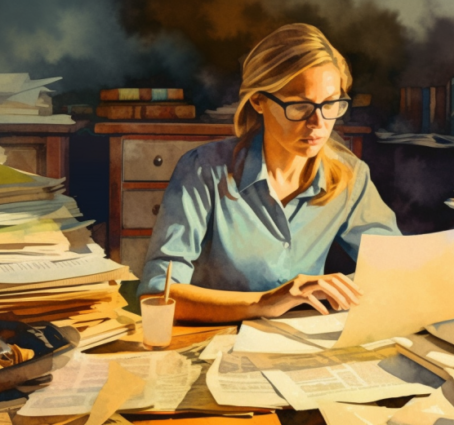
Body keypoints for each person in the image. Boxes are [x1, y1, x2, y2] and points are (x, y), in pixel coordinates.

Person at [138, 23, 401, 323]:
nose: (318, 123)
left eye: (330, 104)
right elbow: (159, 295)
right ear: (258, 100)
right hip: (215, 341)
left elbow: (393, 268)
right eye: (300, 106)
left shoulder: (350, 176)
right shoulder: (202, 170)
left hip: (303, 345)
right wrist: (268, 302)